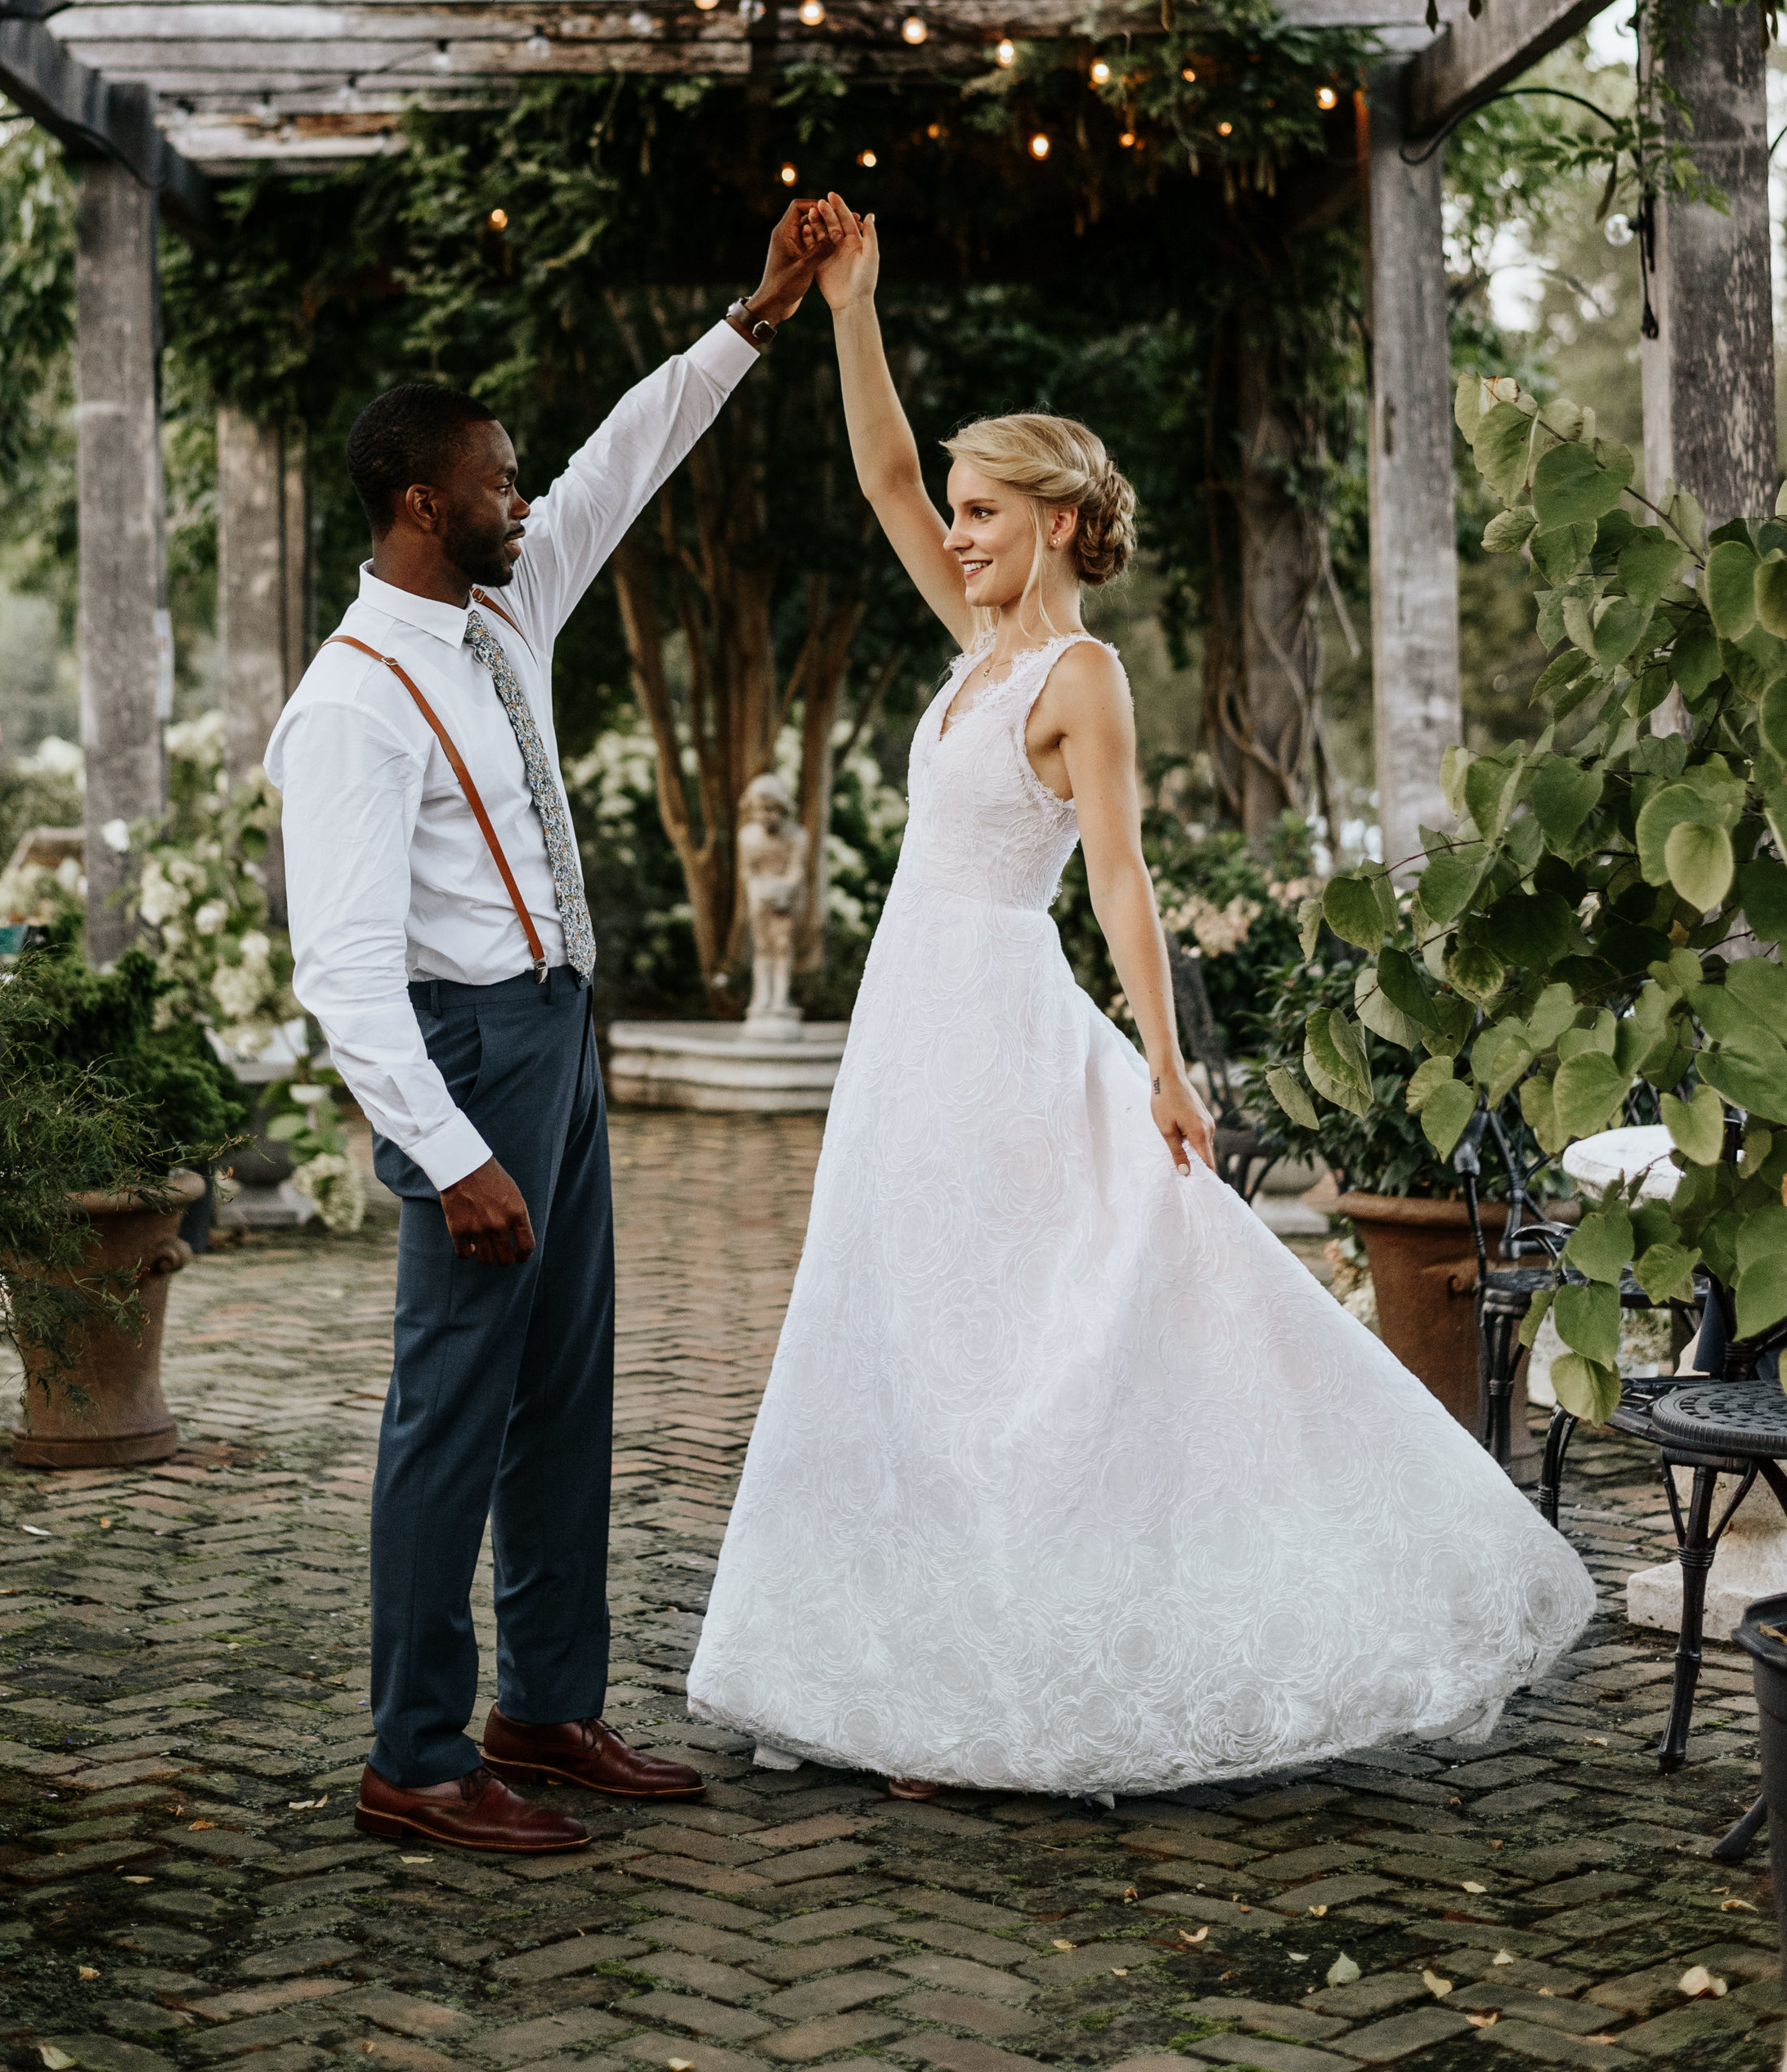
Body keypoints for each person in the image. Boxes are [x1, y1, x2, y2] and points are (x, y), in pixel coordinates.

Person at [687, 195, 1595, 1798]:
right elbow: (884, 474)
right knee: (913, 1328)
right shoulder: (971, 644)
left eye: (982, 511)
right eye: (954, 511)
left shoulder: (1074, 678)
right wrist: (849, 307)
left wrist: (1165, 1064)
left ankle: (1011, 1682)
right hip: (911, 1028)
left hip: (997, 1028)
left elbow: (1114, 877)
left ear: (1046, 520)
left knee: (1007, 1344)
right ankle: (924, 1682)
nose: (952, 528)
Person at [268, 204, 826, 1856]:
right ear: (426, 505)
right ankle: (417, 1755)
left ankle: (546, 1704)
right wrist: (449, 1155)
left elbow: (619, 459)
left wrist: (758, 309)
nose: (527, 499)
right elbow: (343, 971)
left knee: (564, 1389)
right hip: (464, 1062)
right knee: (448, 1409)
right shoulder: (353, 703)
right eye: (497, 483)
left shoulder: (502, 610)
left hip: (559, 1039)